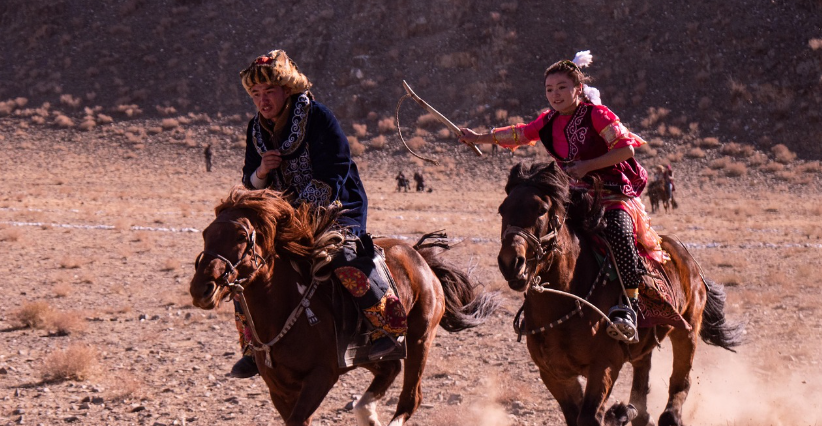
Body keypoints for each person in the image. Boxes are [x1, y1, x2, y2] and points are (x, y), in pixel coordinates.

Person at [458, 51, 663, 342]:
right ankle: (542, 305)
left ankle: (628, 306)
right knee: (546, 234)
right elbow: (520, 134)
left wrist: (587, 166)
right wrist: (478, 137)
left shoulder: (598, 115)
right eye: (549, 89)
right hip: (574, 193)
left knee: (619, 233)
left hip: (611, 193)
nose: (555, 94)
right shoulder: (548, 121)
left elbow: (626, 149)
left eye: (562, 87)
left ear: (578, 89)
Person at [231, 49, 407, 378]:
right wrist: (262, 172)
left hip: (336, 205)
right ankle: (253, 346)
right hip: (282, 217)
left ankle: (386, 326)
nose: (262, 100)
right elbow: (249, 180)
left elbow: (335, 170)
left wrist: (300, 213)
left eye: (269, 91)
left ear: (287, 89)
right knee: (248, 263)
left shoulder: (318, 117)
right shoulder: (255, 129)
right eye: (255, 94)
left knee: (342, 256)